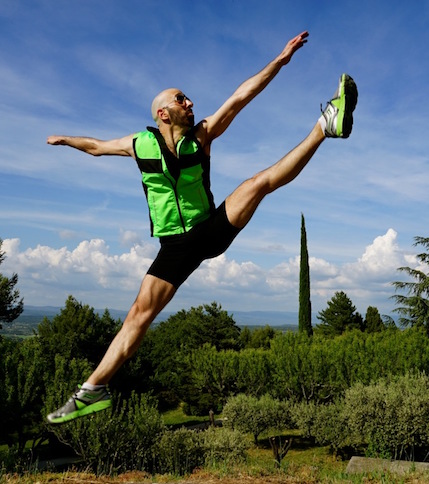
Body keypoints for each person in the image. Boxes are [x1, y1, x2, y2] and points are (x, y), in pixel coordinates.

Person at [45, 31, 356, 424]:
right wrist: (67, 140)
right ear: (163, 113)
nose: (189, 103)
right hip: (175, 247)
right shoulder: (139, 144)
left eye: (187, 98)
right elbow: (96, 145)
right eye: (181, 99)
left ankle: (324, 127)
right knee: (138, 316)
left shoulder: (202, 135)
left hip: (210, 229)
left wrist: (280, 60)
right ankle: (93, 390)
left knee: (257, 184)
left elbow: (241, 97)